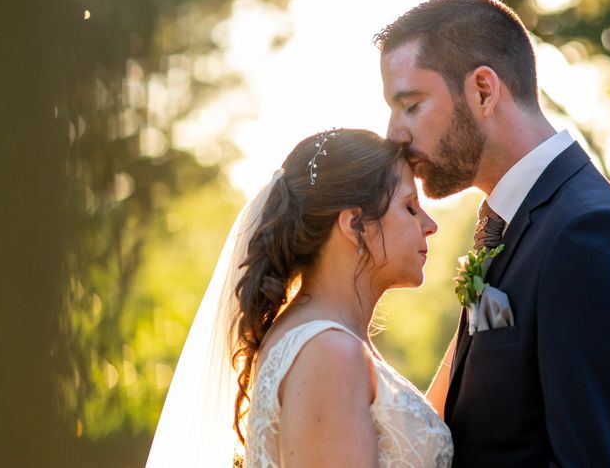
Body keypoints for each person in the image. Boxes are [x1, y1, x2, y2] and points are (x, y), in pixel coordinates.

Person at [376, 0, 610, 467]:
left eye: (410, 105)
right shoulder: (509, 225)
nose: (395, 134)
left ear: (484, 91)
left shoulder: (591, 234)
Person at [146, 129, 453, 467]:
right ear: (356, 225)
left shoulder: (321, 340)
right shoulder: (329, 353)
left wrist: (471, 326)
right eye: (410, 207)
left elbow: (403, 443)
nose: (429, 224)